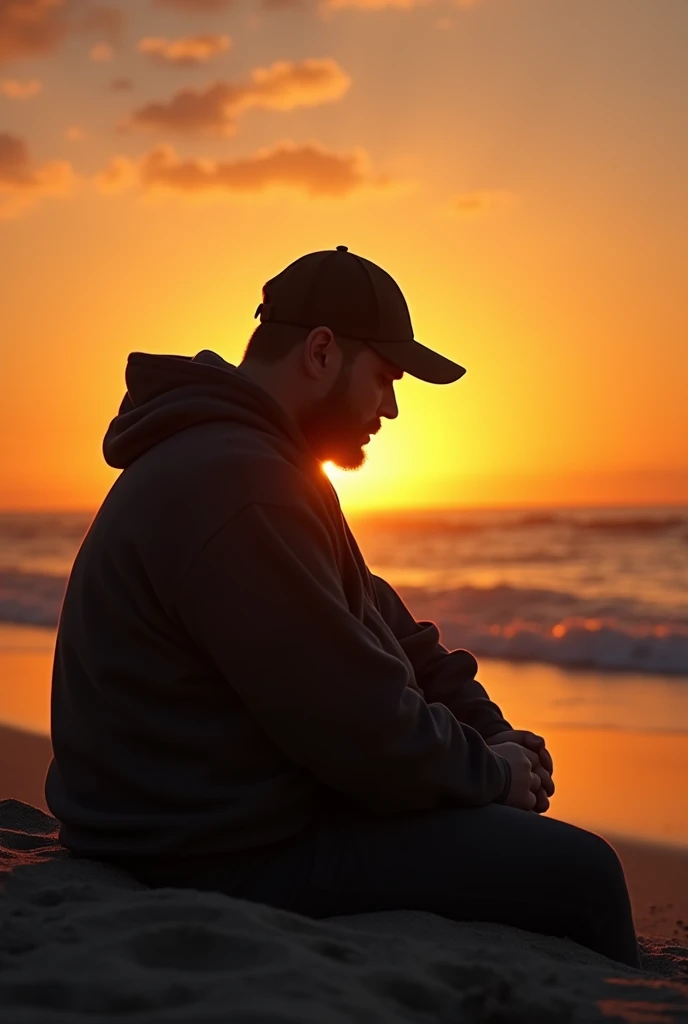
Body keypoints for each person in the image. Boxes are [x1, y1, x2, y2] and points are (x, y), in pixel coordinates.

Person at [45, 245, 641, 969]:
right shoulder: (240, 484)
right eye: (386, 378)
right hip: (211, 850)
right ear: (322, 352)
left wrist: (499, 738)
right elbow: (357, 728)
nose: (390, 408)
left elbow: (394, 635)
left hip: (225, 815)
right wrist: (490, 772)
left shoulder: (266, 468)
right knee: (587, 876)